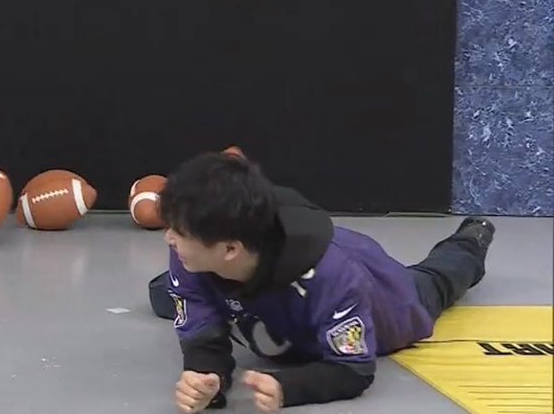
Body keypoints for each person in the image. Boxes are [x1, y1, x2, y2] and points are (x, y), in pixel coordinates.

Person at [145, 152, 494, 412]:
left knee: (438, 278)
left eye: (178, 233)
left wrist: (289, 388)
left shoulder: (334, 279)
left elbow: (352, 370)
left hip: (388, 298)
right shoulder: (195, 243)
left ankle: (470, 240)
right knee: (165, 294)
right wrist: (206, 378)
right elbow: (201, 332)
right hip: (262, 291)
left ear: (230, 249)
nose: (168, 239)